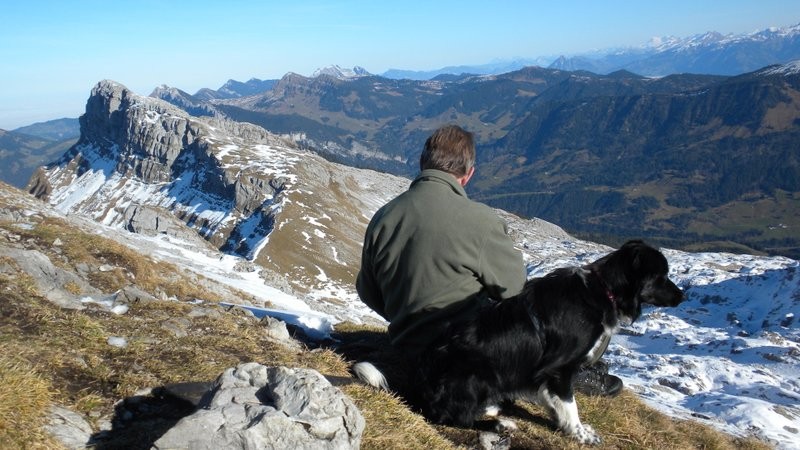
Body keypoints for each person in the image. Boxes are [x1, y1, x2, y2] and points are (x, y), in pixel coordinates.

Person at [356, 124, 621, 396]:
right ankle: (570, 371)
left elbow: (368, 292)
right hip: (469, 357)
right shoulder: (481, 221)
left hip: (406, 347)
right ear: (468, 174)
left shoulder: (383, 217)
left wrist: (409, 318)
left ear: (423, 163)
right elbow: (515, 291)